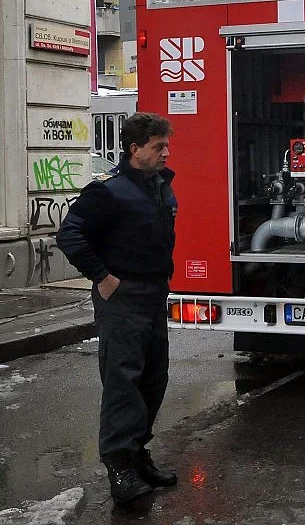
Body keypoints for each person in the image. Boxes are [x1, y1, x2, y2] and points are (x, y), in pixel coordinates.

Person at [57, 113, 178, 507]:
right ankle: (119, 466)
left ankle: (138, 454)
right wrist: (103, 277)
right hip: (122, 299)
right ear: (135, 149)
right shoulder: (108, 191)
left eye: (166, 144)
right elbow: (70, 234)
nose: (166, 152)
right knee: (123, 383)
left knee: (153, 380)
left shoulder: (158, 186)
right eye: (158, 146)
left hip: (152, 296)